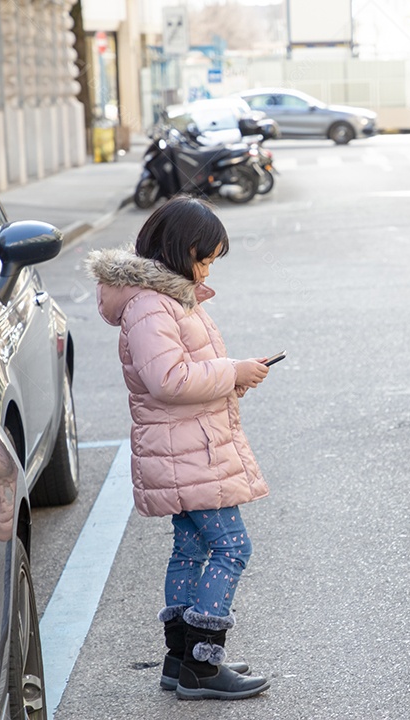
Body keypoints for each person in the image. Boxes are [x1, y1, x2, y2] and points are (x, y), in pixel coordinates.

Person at [85, 197, 272, 701]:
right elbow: (168, 380)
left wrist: (233, 375)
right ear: (177, 249)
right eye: (204, 258)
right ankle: (203, 666)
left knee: (191, 549)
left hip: (186, 448)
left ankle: (181, 660)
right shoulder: (152, 305)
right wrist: (232, 372)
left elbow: (187, 372)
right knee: (233, 547)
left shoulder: (166, 299)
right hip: (187, 452)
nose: (208, 268)